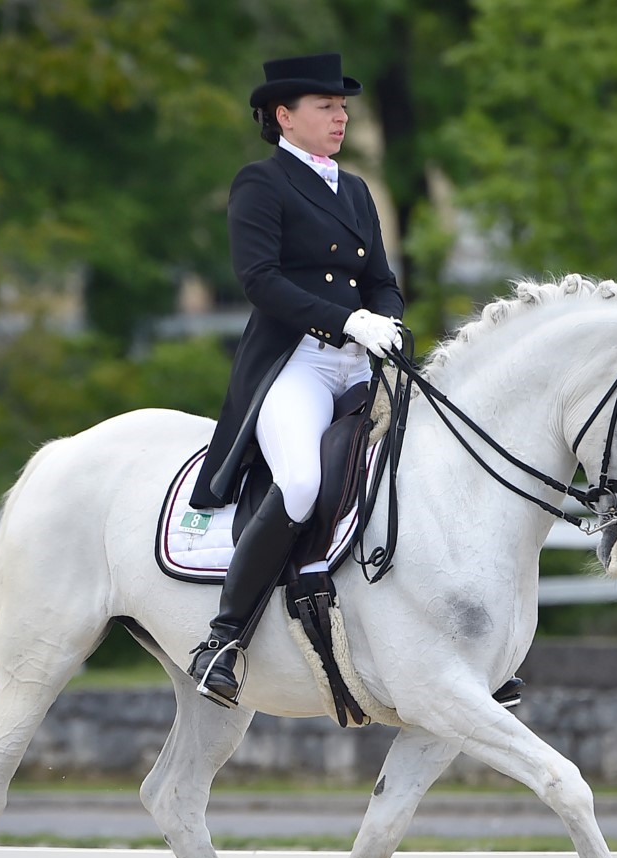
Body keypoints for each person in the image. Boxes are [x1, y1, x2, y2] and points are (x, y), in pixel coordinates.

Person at [185, 52, 404, 707]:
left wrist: (385, 322)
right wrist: (346, 320)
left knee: (421, 464)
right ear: (284, 115)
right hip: (298, 361)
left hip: (362, 362)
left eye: (343, 107)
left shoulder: (355, 189)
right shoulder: (261, 182)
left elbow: (382, 281)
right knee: (303, 481)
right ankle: (224, 638)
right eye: (326, 106)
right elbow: (260, 281)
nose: (340, 117)